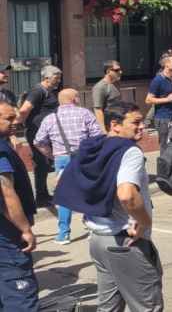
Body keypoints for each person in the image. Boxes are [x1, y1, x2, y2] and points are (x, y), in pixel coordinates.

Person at [54, 102, 162, 312]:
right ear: (115, 125)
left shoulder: (92, 147)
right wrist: (144, 222)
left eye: (143, 122)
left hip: (98, 240)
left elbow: (62, 179)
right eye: (136, 122)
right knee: (147, 306)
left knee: (108, 307)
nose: (142, 127)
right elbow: (127, 195)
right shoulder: (129, 151)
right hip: (125, 241)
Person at [34, 88, 102, 244]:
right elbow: (97, 137)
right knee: (88, 192)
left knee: (64, 197)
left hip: (62, 159)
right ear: (75, 99)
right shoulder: (85, 113)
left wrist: (52, 155)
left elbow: (38, 141)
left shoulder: (50, 118)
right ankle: (93, 228)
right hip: (84, 158)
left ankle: (64, 234)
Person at [0, 100, 39, 311]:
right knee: (20, 298)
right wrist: (25, 229)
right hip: (7, 238)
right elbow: (6, 193)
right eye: (9, 118)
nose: (15, 121)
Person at [16, 64, 62, 206]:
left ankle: (45, 194)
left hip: (46, 133)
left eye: (59, 77)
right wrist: (17, 124)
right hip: (37, 133)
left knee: (46, 163)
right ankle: (41, 197)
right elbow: (24, 110)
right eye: (56, 77)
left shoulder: (48, 91)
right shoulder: (38, 91)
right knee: (41, 163)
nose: (59, 80)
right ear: (47, 78)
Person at [145, 55, 172, 149]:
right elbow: (148, 100)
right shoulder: (158, 80)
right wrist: (167, 99)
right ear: (167, 64)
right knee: (165, 147)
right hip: (164, 118)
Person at [92, 60, 123, 133]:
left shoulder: (115, 84)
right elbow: (98, 109)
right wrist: (103, 130)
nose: (120, 72)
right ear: (108, 71)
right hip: (108, 127)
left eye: (120, 69)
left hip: (117, 123)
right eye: (117, 70)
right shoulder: (100, 87)